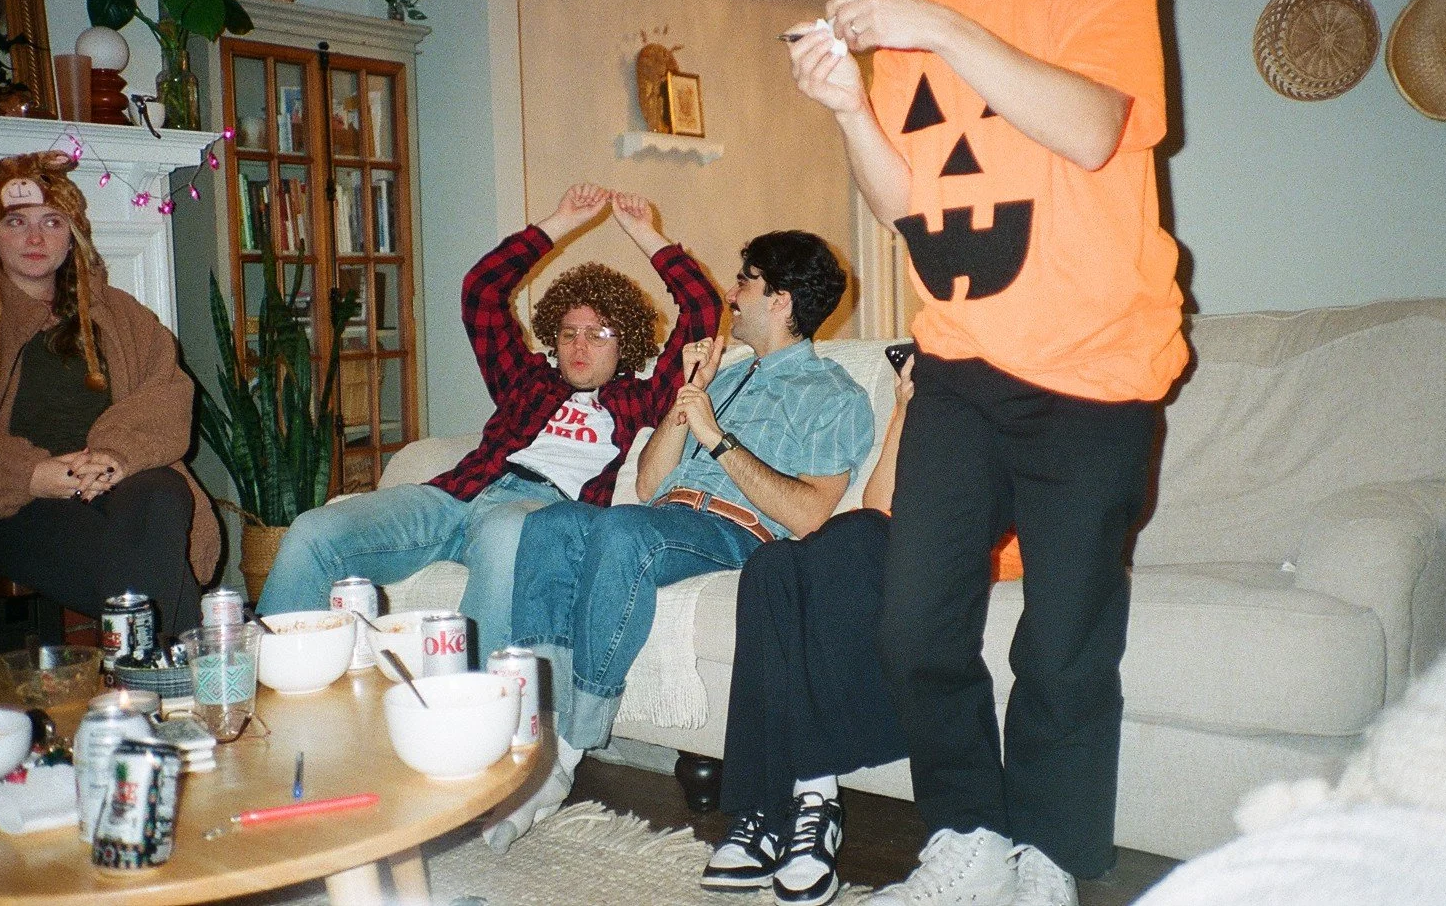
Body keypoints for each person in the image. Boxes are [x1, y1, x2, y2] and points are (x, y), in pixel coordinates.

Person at [786, 0, 1188, 904]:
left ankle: (1045, 855)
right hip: (959, 362)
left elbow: (1094, 126)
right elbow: (910, 207)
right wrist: (847, 109)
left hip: (1093, 368)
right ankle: (964, 835)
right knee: (911, 621)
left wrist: (936, 26)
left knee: (1062, 637)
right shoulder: (917, 22)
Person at [491, 231, 874, 852]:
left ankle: (562, 755)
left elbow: (808, 516)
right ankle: (537, 725)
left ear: (780, 300)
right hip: (666, 517)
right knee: (553, 524)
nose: (732, 293)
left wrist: (718, 439)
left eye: (746, 280)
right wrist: (688, 395)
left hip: (735, 533)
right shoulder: (723, 378)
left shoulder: (832, 394)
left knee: (622, 531)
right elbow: (647, 484)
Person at [255, 185, 721, 665]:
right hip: (454, 494)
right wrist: (559, 223)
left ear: (625, 342)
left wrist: (645, 233)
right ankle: (270, 684)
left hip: (536, 512)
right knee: (312, 531)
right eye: (568, 334)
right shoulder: (526, 378)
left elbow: (702, 307)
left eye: (599, 335)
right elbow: (482, 290)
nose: (579, 347)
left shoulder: (640, 399)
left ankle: (470, 711)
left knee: (504, 536)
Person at [702, 353, 1021, 906]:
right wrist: (904, 408)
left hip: (968, 555)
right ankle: (776, 807)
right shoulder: (939, 418)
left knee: (853, 534)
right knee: (772, 564)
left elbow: (923, 521)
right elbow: (881, 504)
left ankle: (809, 796)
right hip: (892, 543)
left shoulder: (1020, 421)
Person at [0, 150, 219, 637]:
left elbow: (166, 391)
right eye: (16, 221)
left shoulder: (118, 313)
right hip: (14, 499)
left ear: (73, 236)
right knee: (136, 560)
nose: (35, 238)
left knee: (164, 494)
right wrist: (35, 474)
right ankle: (176, 657)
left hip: (110, 475)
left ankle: (148, 669)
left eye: (52, 222)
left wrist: (114, 456)